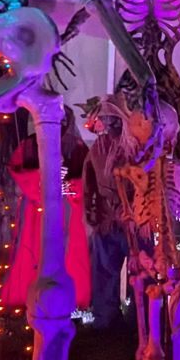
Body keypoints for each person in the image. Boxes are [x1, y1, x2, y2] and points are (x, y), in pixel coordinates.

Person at [3, 114, 93, 315]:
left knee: (69, 251)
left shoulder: (76, 146)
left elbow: (87, 177)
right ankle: (25, 298)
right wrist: (41, 183)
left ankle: (72, 299)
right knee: (32, 248)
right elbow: (18, 170)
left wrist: (69, 186)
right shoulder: (29, 144)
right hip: (36, 208)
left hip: (66, 208)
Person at [82, 99, 130, 330]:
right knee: (103, 269)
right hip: (106, 217)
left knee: (141, 271)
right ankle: (105, 317)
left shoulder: (136, 146)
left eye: (113, 118)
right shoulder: (98, 148)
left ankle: (137, 320)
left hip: (134, 220)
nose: (109, 123)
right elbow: (88, 180)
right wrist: (90, 211)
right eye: (106, 119)